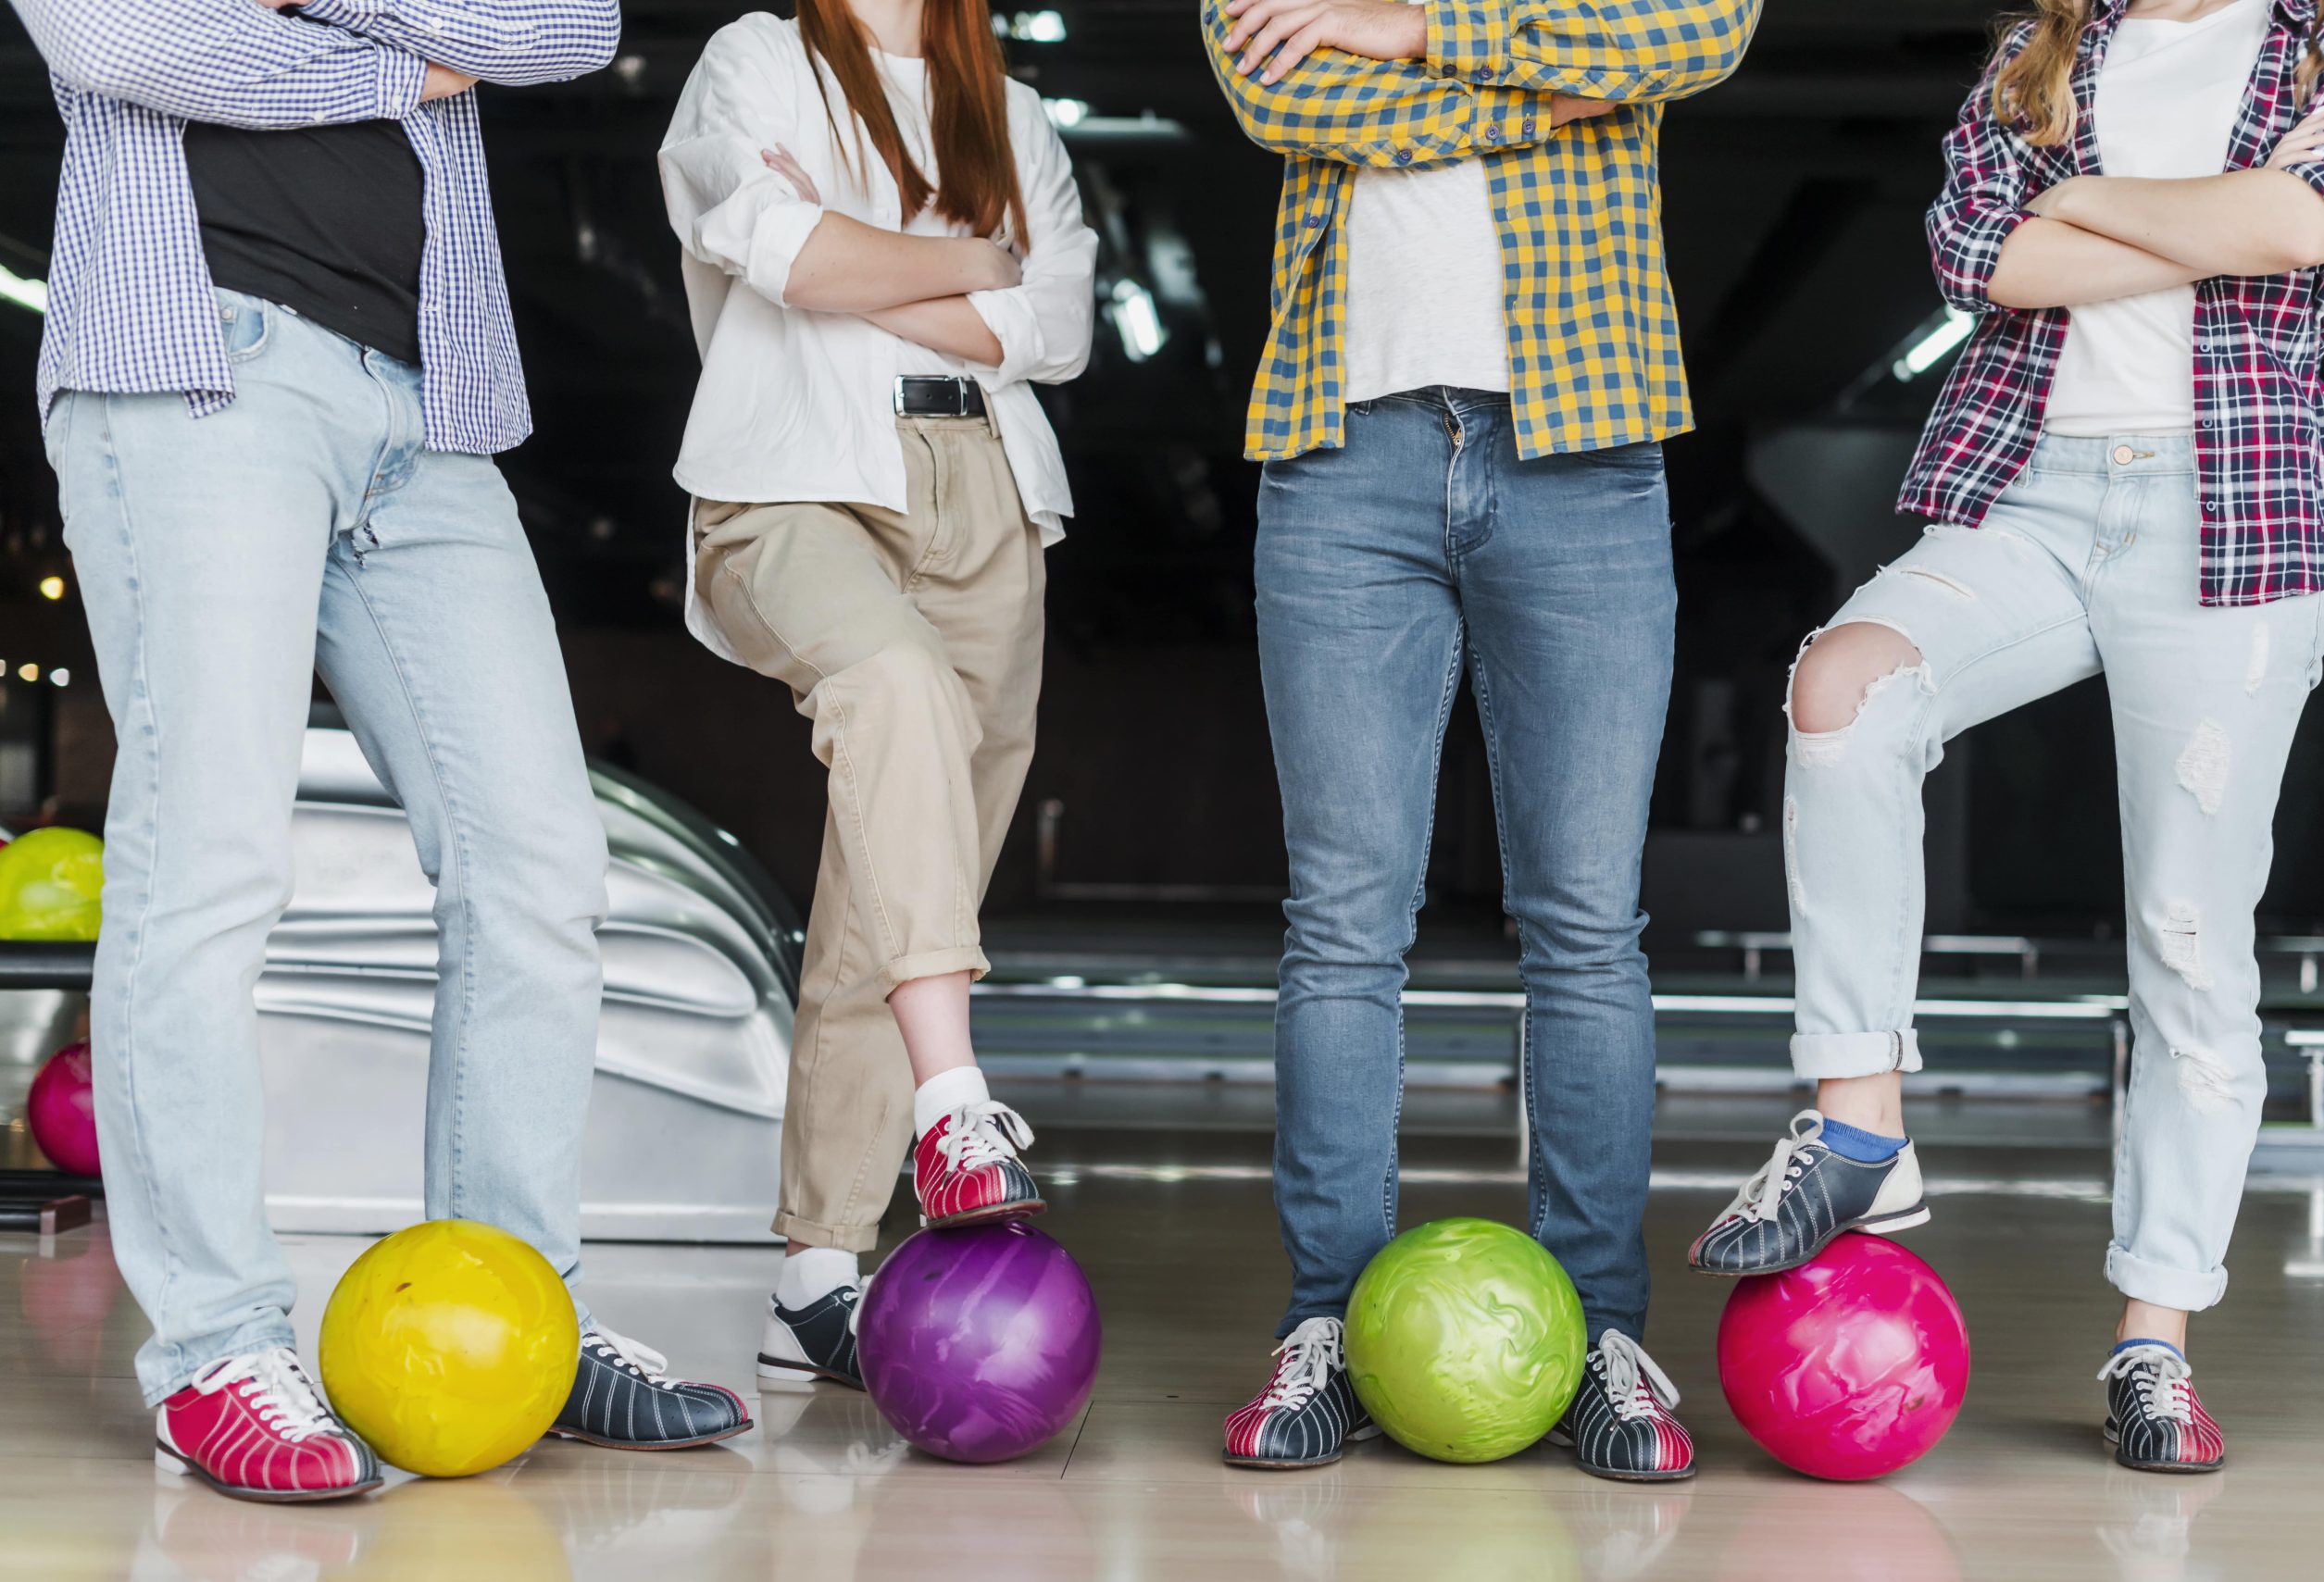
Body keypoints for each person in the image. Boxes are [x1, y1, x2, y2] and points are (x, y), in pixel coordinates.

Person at [13, 0, 751, 1504]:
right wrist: (408, 55)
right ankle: (216, 1343)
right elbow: (123, 43)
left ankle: (509, 1306)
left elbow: (561, 24)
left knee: (540, 857)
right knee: (208, 860)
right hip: (199, 361)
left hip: (423, 399)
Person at [1688, 0, 2324, 1475]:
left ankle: (2154, 1341)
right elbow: (1981, 260)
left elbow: (2303, 230)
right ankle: (1861, 1122)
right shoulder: (2039, 48)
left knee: (2190, 942)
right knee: (1842, 689)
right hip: (2031, 490)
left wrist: (2080, 199)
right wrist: (2199, 223)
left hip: (2239, 512)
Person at [1198, 0, 1761, 1476]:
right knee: (1341, 922)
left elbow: (1697, 33)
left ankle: (1600, 1330)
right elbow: (1285, 104)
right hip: (1340, 452)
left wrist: (1398, 32)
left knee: (1586, 921)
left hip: (1583, 445)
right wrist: (1549, 80)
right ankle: (1324, 1320)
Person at [656, 0, 1096, 1390]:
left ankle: (815, 1273)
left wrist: (858, 264)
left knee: (904, 864)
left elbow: (1062, 324)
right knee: (893, 689)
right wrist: (974, 260)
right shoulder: (757, 59)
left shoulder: (1011, 112)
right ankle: (955, 1109)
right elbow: (772, 251)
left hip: (991, 494)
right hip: (792, 473)